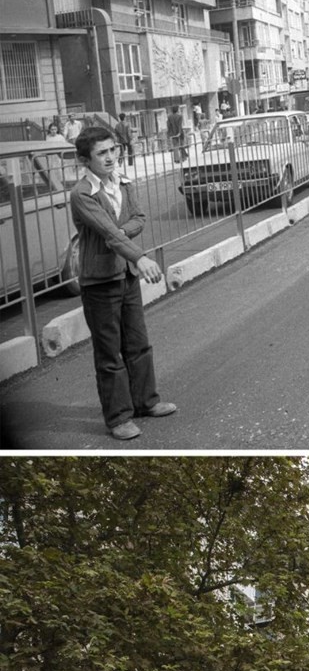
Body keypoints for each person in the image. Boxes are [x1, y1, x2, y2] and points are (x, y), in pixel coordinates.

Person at [70, 124, 177, 440]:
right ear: (85, 160)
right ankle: (118, 418)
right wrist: (138, 256)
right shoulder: (82, 194)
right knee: (109, 352)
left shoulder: (125, 183)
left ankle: (146, 402)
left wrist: (120, 236)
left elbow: (139, 218)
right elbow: (107, 232)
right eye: (101, 153)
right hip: (100, 282)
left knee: (138, 343)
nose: (110, 157)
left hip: (126, 275)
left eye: (113, 149)